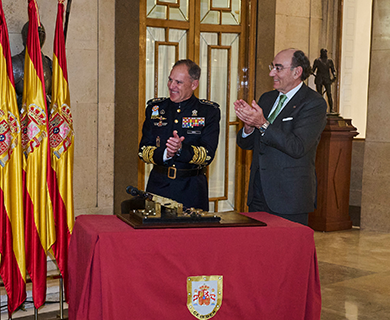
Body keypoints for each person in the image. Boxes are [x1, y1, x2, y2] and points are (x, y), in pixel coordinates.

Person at [234, 48, 327, 225]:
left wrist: (262, 123)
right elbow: (246, 144)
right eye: (272, 67)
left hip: (289, 198)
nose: (271, 73)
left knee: (286, 251)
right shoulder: (267, 98)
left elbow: (297, 146)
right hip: (259, 194)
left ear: (296, 72)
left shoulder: (313, 103)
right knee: (258, 250)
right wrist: (249, 126)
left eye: (278, 68)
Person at [138, 59, 220, 211]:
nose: (171, 86)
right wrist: (165, 153)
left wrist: (181, 149)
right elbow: (143, 151)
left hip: (192, 190)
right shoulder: (155, 109)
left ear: (194, 84)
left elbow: (208, 155)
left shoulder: (208, 112)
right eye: (170, 80)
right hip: (158, 189)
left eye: (178, 82)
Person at [11, 22, 53, 112]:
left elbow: (54, 93)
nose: (38, 38)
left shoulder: (49, 63)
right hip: (24, 114)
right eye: (36, 34)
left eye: (41, 34)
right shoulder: (15, 62)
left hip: (46, 114)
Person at [311, 48, 337, 112]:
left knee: (329, 94)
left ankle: (331, 109)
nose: (324, 54)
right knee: (319, 95)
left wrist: (334, 76)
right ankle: (319, 108)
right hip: (319, 78)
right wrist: (310, 71)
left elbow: (333, 70)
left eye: (325, 52)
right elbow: (313, 70)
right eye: (323, 52)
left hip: (327, 79)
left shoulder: (329, 61)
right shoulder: (317, 61)